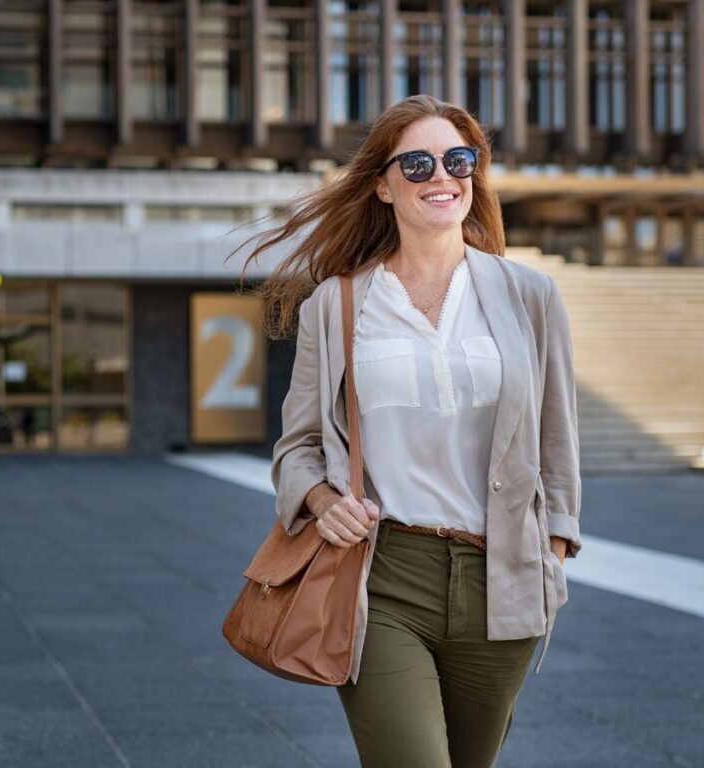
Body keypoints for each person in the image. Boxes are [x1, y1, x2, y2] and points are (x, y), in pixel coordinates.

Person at [236, 95, 582, 767]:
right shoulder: (334, 306)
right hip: (383, 577)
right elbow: (299, 446)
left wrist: (555, 550)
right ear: (383, 185)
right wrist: (321, 502)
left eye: (458, 160)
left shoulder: (529, 296)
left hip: (502, 577)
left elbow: (557, 438)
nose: (441, 177)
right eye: (417, 163)